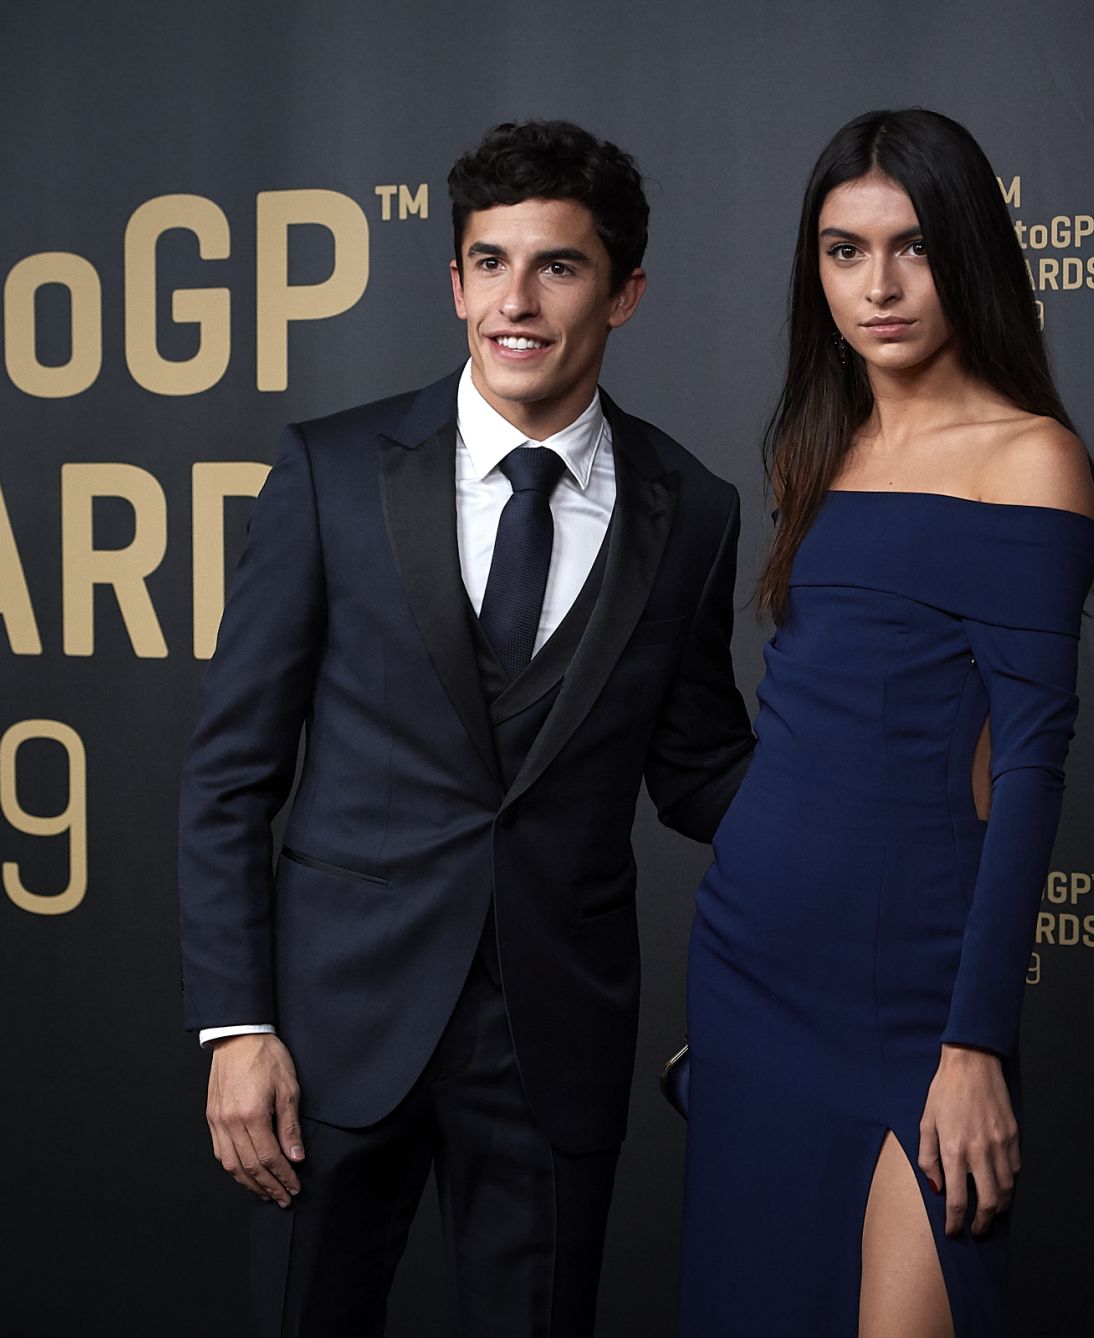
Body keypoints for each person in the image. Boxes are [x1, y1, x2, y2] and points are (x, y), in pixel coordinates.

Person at [179, 119, 754, 1337]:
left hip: (553, 1040)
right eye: (489, 263)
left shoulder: (693, 511)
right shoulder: (333, 471)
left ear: (625, 293)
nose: (516, 302)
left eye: (558, 266)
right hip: (331, 1035)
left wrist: (879, 795)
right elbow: (230, 771)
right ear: (454, 283)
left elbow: (700, 766)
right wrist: (238, 1027)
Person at [678, 108, 1094, 1338]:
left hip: (914, 980)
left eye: (911, 246)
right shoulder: (817, 450)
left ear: (967, 253)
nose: (877, 286)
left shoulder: (1029, 461)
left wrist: (973, 1044)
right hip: (751, 958)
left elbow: (1027, 768)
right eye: (843, 251)